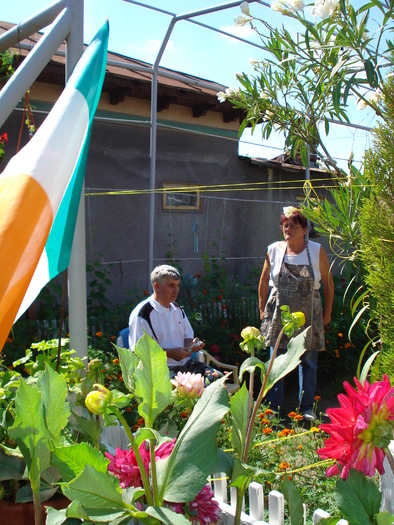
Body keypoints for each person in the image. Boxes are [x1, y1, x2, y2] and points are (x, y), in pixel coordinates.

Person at [258, 206, 334, 420]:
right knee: (276, 362)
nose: (288, 229)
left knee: (308, 363)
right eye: (285, 225)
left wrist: (327, 313)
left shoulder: (317, 250)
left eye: (293, 225)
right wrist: (262, 309)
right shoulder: (273, 250)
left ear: (304, 229)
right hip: (278, 318)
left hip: (310, 316)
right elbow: (263, 281)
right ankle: (273, 410)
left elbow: (328, 284)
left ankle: (307, 408)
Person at [129, 264, 220, 382]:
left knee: (219, 381)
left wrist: (192, 345)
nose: (176, 290)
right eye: (171, 286)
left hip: (187, 366)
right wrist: (171, 354)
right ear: (156, 286)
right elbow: (138, 353)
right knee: (199, 391)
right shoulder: (142, 315)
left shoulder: (177, 309)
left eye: (177, 285)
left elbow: (187, 336)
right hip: (160, 372)